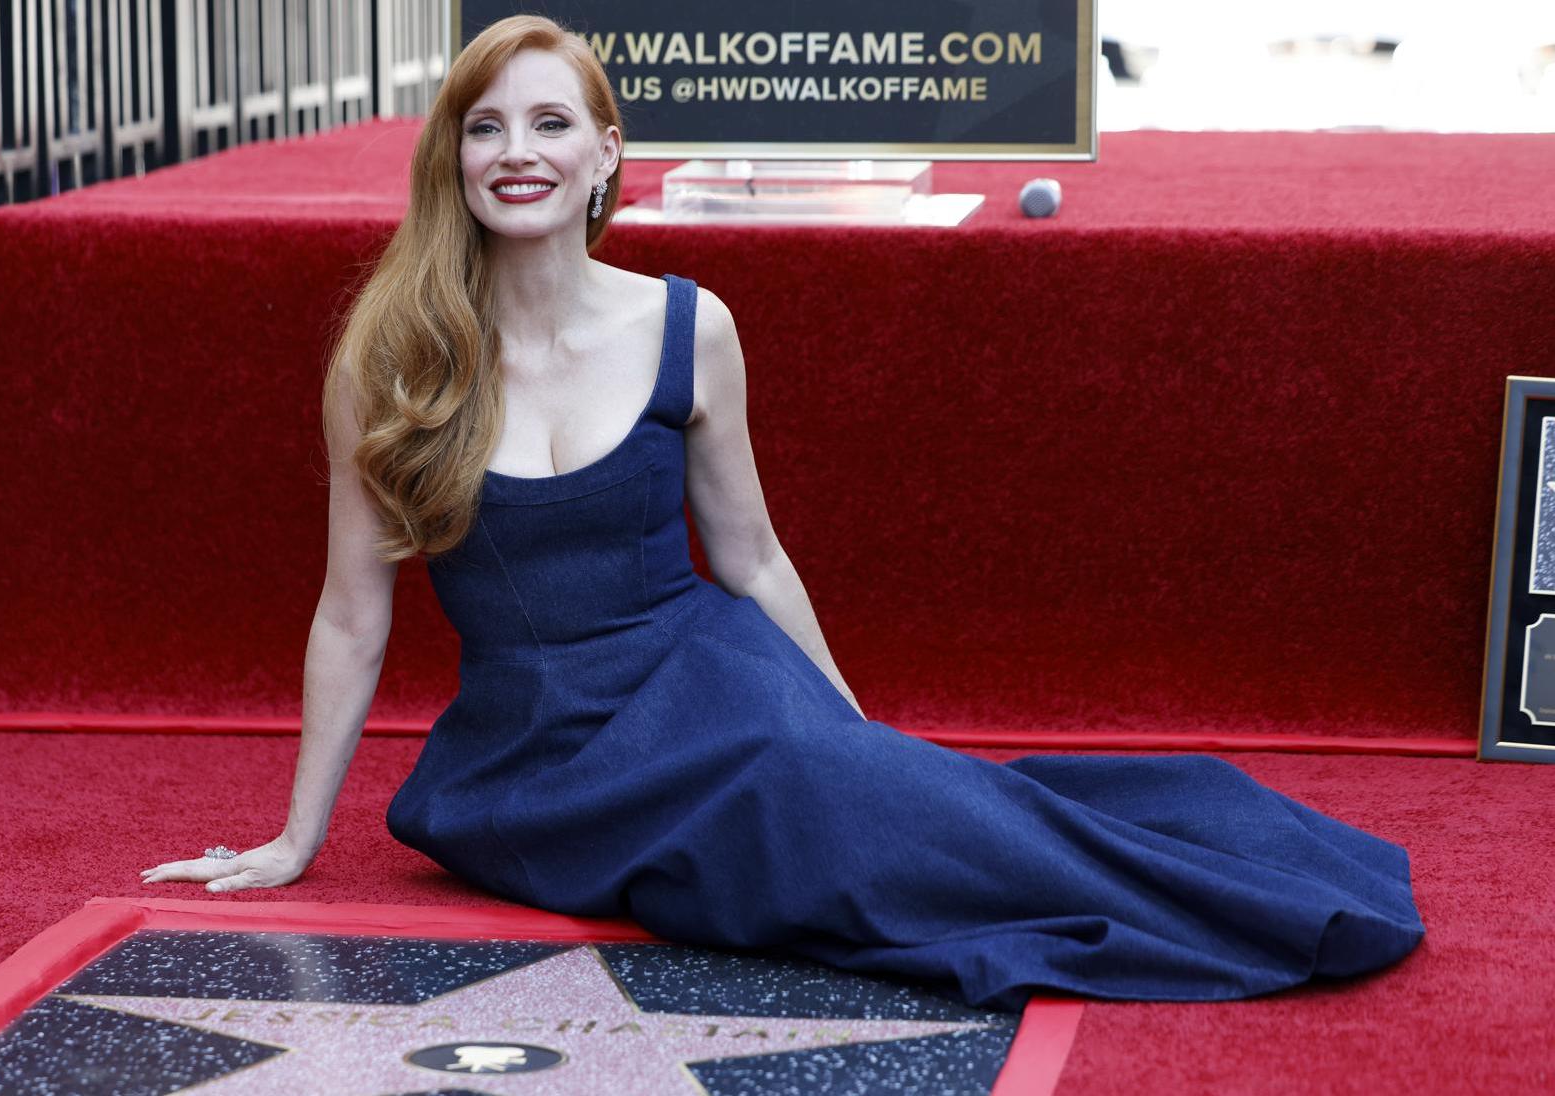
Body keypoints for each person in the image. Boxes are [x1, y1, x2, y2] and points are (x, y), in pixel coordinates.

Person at [142, 14, 1425, 1011]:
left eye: (548, 124)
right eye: (485, 128)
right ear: (451, 158)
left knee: (864, 802)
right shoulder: (390, 359)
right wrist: (294, 837)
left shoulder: (689, 327)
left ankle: (1226, 894)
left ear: (602, 154)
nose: (516, 152)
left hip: (711, 691)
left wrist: (858, 737)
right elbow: (351, 615)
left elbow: (750, 559)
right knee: (835, 851)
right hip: (530, 766)